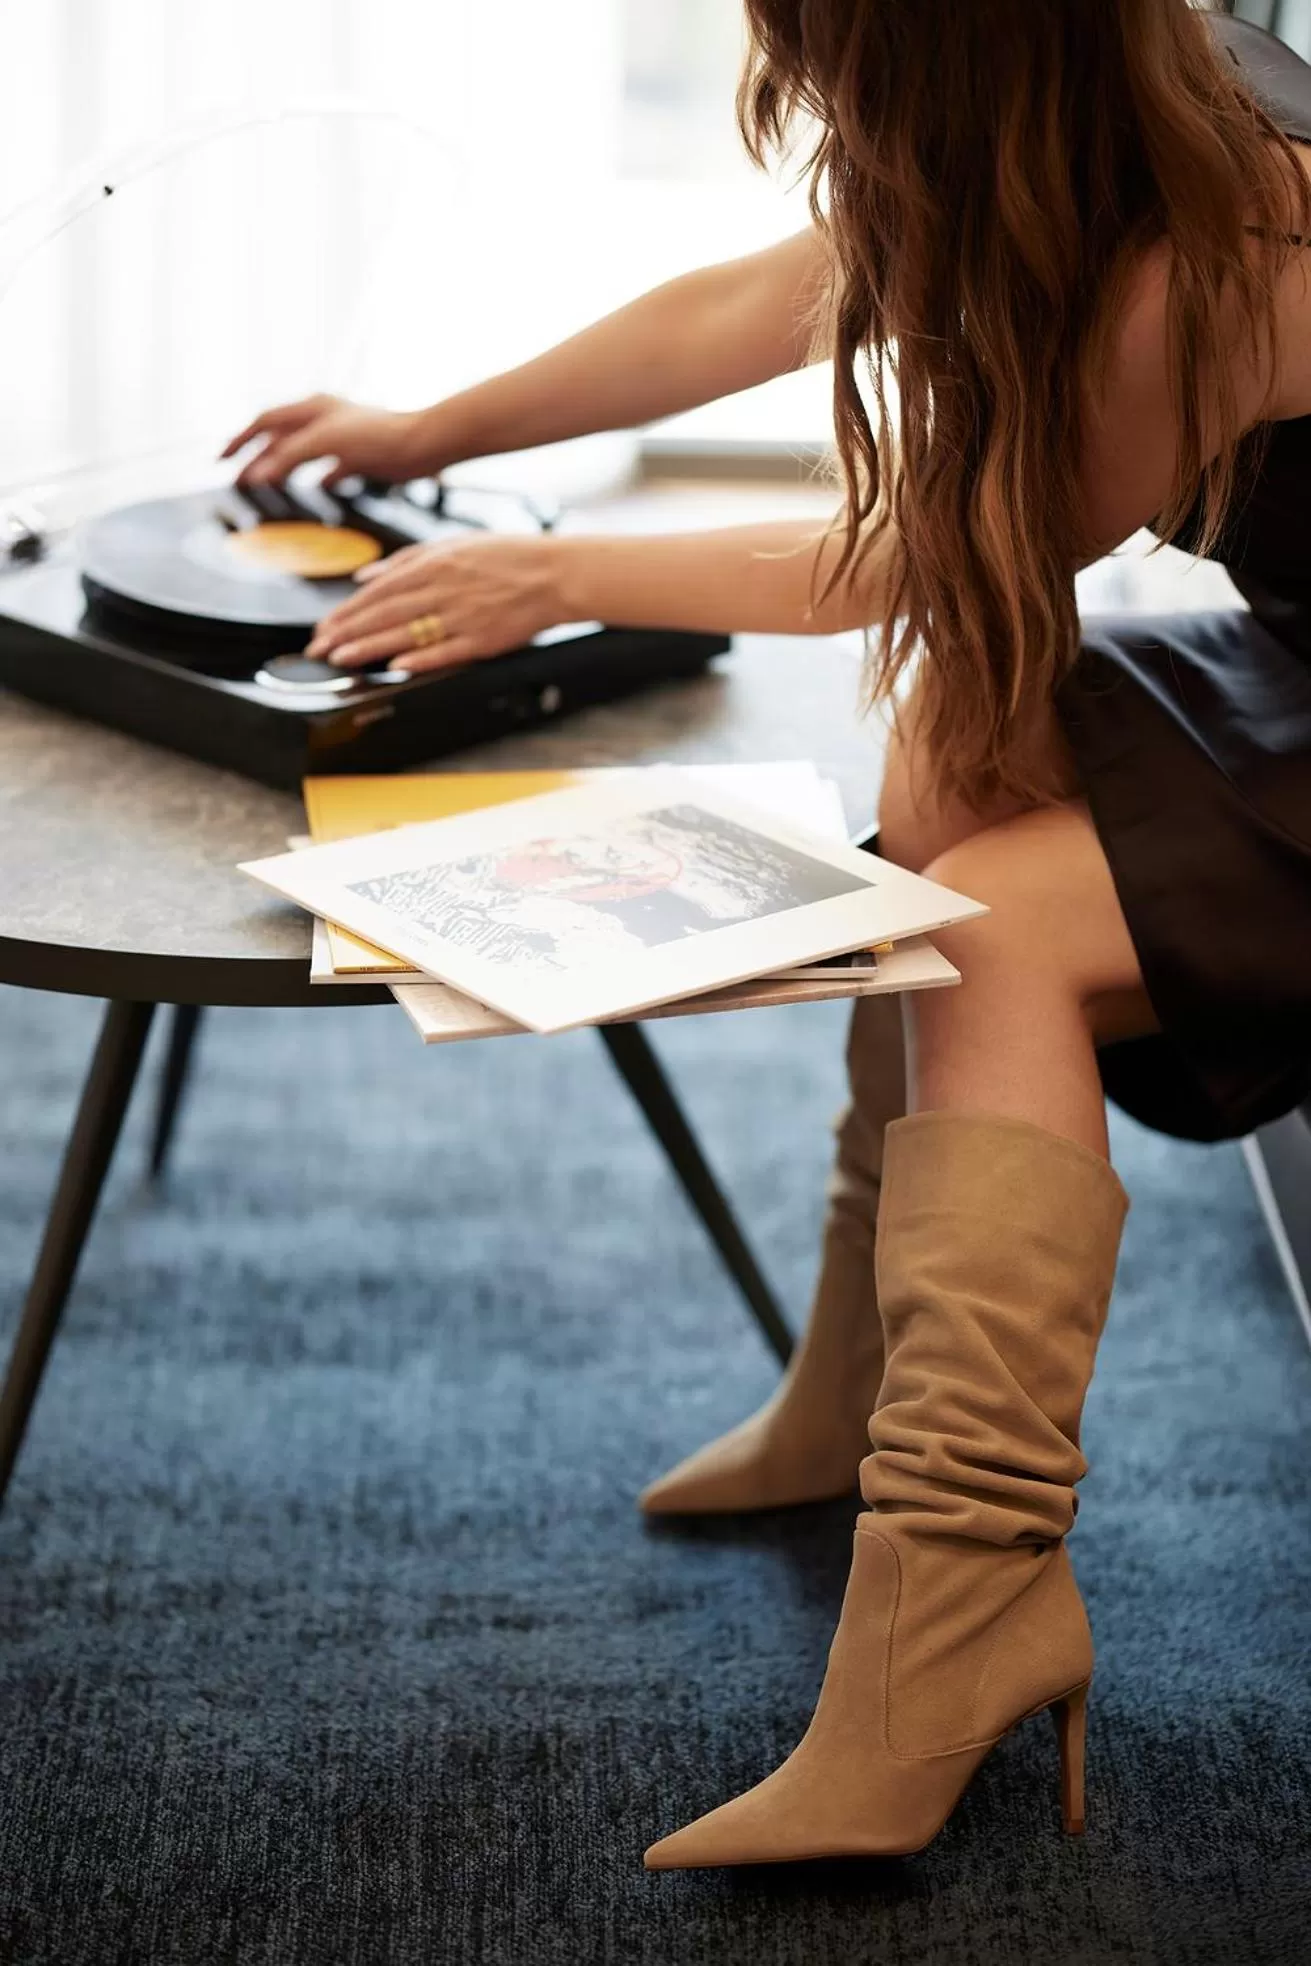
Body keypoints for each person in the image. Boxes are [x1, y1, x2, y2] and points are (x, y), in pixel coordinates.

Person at [225, 3, 1311, 1869]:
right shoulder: (1097, 104)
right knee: (962, 734)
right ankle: (864, 1387)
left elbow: (932, 547)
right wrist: (430, 430)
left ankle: (959, 1602)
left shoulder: (1222, 251)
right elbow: (747, 304)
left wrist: (549, 575)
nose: (803, 77)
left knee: (986, 908)